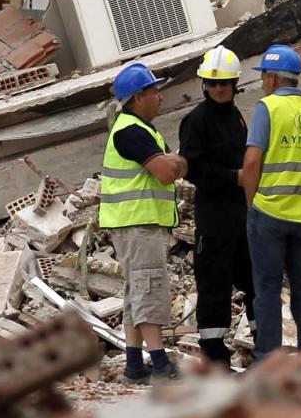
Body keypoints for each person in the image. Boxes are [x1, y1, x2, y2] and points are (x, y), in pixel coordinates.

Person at [238, 44, 301, 363]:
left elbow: (252, 161)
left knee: (267, 288)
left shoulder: (266, 108)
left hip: (269, 212)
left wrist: (251, 202)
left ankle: (268, 360)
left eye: (263, 77)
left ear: (271, 78)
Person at [100, 61, 186, 382]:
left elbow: (172, 164)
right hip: (138, 224)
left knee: (135, 292)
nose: (160, 97)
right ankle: (161, 363)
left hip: (134, 224)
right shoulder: (131, 132)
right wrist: (176, 161)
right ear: (138, 97)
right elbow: (167, 171)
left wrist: (173, 161)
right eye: (154, 91)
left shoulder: (140, 130)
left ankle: (135, 365)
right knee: (149, 288)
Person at [178, 46, 255, 367]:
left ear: (235, 83)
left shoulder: (236, 117)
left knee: (254, 279)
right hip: (214, 217)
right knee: (214, 284)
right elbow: (192, 169)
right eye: (213, 83)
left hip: (243, 215)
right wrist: (233, 177)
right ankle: (215, 355)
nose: (219, 88)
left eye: (224, 83)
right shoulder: (195, 121)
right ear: (204, 85)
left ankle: (263, 344)